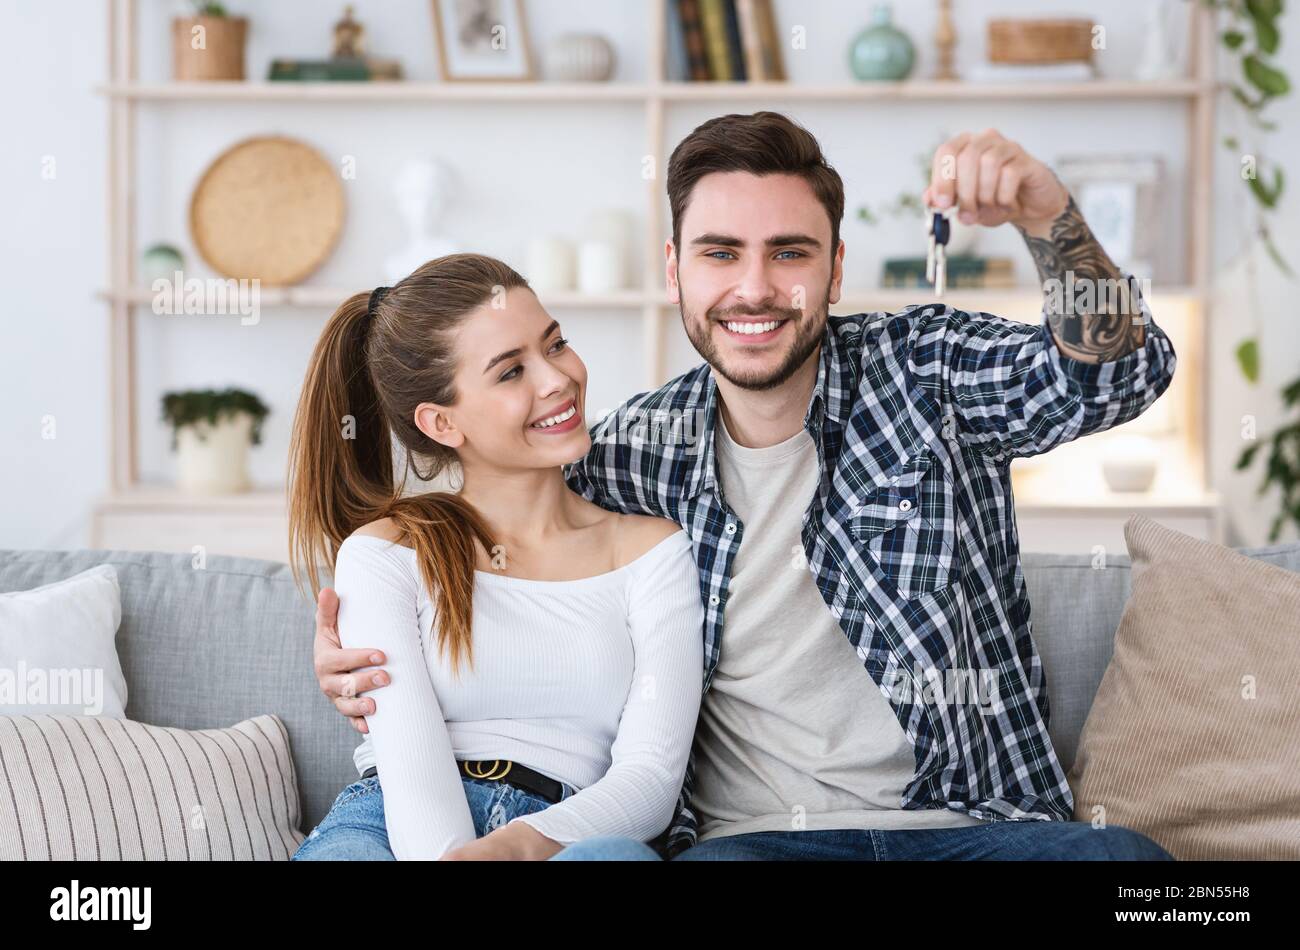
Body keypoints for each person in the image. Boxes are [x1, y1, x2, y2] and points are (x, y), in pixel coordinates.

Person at [314, 112, 1177, 861]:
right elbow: (490, 526)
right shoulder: (626, 459)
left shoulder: (929, 374)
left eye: (789, 253)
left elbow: (1118, 378)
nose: (754, 288)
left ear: (835, 271)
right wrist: (358, 657)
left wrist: (1047, 213)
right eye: (720, 253)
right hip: (749, 845)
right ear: (674, 270)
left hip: (978, 830)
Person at [286, 253, 703, 860]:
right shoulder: (387, 552)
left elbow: (650, 779)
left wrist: (519, 847)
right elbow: (410, 768)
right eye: (511, 373)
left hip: (568, 833)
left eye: (555, 344)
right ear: (441, 422)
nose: (557, 379)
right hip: (389, 826)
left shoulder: (652, 552)